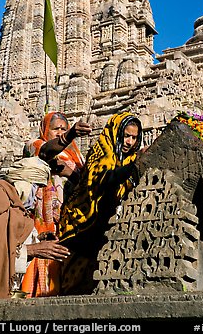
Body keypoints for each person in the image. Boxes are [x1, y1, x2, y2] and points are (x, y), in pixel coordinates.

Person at [0, 152, 72, 300]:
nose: (37, 195)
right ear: (24, 182)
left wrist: (36, 239)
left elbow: (2, 235)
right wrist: (29, 251)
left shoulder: (13, 203)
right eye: (36, 187)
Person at [58, 111, 145, 295]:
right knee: (74, 286)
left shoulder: (131, 158)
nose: (129, 142)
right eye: (126, 136)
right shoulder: (101, 152)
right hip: (82, 227)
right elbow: (104, 179)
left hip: (108, 229)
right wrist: (135, 165)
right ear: (116, 133)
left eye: (134, 138)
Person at [20, 112, 92, 297]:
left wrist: (70, 173)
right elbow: (45, 152)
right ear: (45, 130)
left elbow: (85, 181)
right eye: (56, 129)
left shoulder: (77, 157)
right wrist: (70, 135)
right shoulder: (34, 145)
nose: (60, 132)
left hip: (73, 221)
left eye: (63, 129)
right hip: (45, 224)